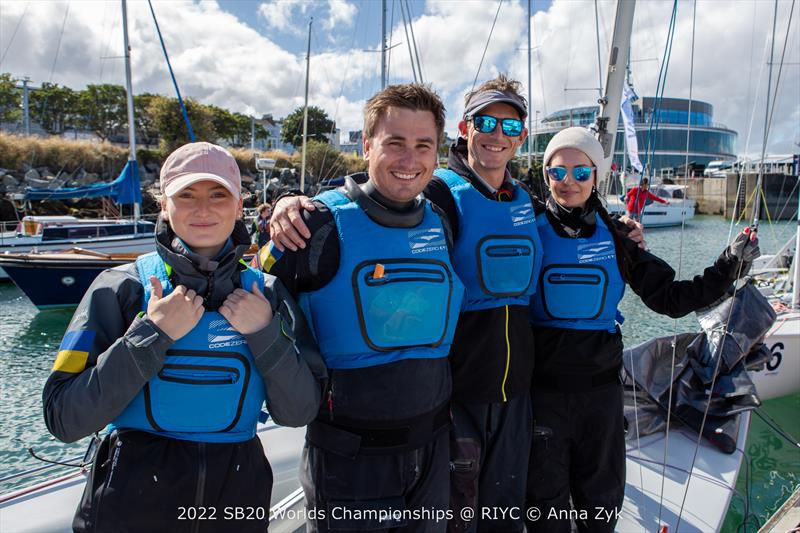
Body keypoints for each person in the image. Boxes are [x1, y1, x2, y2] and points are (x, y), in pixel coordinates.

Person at [268, 75, 646, 533]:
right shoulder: (438, 194)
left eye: (510, 127)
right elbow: (382, 198)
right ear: (466, 129)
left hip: (516, 395)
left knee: (504, 516)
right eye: (486, 121)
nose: (497, 134)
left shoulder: (527, 200)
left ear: (522, 137)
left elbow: (575, 216)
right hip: (455, 396)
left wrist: (620, 229)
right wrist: (290, 203)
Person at [43, 142, 326, 533]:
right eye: (186, 195)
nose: (203, 209)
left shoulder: (269, 294)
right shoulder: (120, 288)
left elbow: (299, 413)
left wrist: (264, 334)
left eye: (218, 195)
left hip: (235, 503)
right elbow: (64, 418)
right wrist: (151, 335)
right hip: (130, 506)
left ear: (239, 203)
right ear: (163, 205)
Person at [525, 127, 760, 533]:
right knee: (546, 511)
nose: (568, 182)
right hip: (542, 399)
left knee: (600, 505)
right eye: (557, 172)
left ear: (597, 176)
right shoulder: (526, 227)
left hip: (599, 400)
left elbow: (670, 298)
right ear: (545, 175)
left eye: (581, 172)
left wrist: (728, 265)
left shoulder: (618, 238)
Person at [255, 83, 463, 532]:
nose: (410, 160)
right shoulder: (316, 223)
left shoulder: (442, 220)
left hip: (431, 455)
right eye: (395, 144)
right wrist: (279, 210)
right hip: (349, 464)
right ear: (367, 146)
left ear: (437, 152)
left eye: (423, 146)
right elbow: (248, 284)